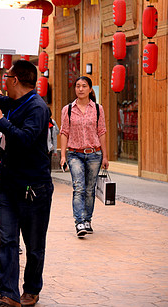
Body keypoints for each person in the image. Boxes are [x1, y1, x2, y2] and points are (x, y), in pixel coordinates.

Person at [0, 55, 53, 307]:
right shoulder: (10, 101)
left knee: (33, 246)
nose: (4, 82)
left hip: (34, 187)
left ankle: (32, 288)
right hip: (6, 184)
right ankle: (9, 295)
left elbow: (25, 139)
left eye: (6, 77)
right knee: (8, 240)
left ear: (17, 80)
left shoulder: (37, 107)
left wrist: (1, 122)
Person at [60, 76, 108, 238]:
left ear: (90, 89)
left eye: (84, 86)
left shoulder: (97, 108)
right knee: (79, 187)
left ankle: (87, 220)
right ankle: (79, 221)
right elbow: (64, 132)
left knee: (89, 189)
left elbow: (101, 132)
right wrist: (63, 156)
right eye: (78, 86)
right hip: (74, 154)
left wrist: (105, 156)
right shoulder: (67, 109)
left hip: (95, 154)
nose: (80, 89)